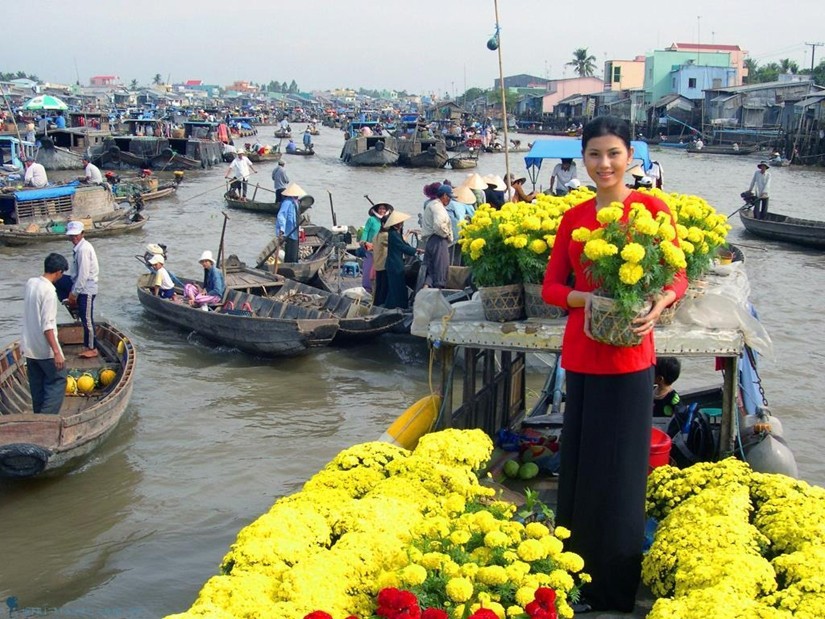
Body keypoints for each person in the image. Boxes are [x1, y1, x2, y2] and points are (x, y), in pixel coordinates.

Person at [542, 115, 687, 613]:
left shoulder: (652, 209)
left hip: (631, 359)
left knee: (624, 476)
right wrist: (582, 297)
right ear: (583, 160)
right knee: (581, 470)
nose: (604, 164)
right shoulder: (573, 217)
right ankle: (575, 580)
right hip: (583, 357)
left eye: (613, 154)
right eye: (594, 155)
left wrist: (663, 300)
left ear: (631, 158)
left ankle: (616, 590)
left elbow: (679, 273)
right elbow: (551, 288)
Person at [21, 252, 70, 414]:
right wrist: (56, 352)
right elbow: (47, 326)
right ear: (58, 272)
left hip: (29, 347)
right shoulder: (49, 291)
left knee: (37, 386)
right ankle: (47, 421)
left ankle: (37, 419)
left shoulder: (31, 283)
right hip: (44, 350)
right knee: (58, 379)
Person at [64, 221, 100, 358]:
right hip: (79, 286)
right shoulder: (78, 248)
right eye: (72, 236)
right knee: (59, 281)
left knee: (87, 319)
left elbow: (84, 274)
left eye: (76, 235)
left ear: (82, 234)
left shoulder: (83, 249)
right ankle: (73, 309)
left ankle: (92, 348)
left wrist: (74, 293)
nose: (74, 238)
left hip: (86, 289)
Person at [383, 210, 420, 310]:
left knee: (395, 287)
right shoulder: (393, 234)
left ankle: (392, 306)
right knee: (396, 288)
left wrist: (416, 250)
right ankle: (397, 307)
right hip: (394, 264)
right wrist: (415, 251)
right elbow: (402, 247)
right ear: (397, 223)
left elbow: (404, 244)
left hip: (396, 264)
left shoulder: (395, 233)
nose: (402, 224)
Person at [420, 184, 454, 288]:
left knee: (431, 270)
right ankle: (437, 295)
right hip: (438, 241)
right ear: (444, 196)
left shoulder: (431, 204)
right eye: (449, 197)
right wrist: (448, 235)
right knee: (440, 270)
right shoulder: (438, 207)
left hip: (430, 241)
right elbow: (439, 225)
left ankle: (425, 292)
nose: (450, 200)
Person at [359, 202, 391, 292]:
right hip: (371, 247)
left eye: (384, 209)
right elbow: (365, 231)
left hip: (382, 248)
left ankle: (378, 287)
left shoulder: (388, 220)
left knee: (380, 268)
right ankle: (367, 287)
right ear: (377, 210)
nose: (382, 211)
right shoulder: (371, 220)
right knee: (368, 268)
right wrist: (364, 242)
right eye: (380, 209)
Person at [276, 183, 305, 263]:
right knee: (290, 250)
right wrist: (282, 228)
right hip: (289, 231)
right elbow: (281, 216)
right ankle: (289, 264)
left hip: (295, 229)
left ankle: (294, 263)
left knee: (295, 249)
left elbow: (297, 215)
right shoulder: (287, 202)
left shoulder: (296, 202)